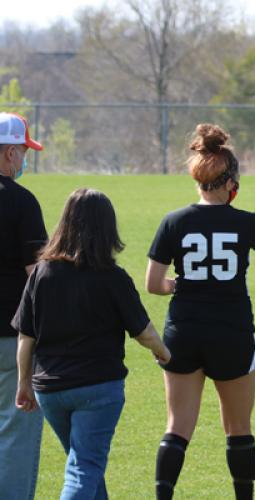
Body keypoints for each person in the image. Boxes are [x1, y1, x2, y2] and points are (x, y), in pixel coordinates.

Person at [146, 123, 255, 500]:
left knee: (177, 426)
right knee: (239, 427)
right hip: (232, 331)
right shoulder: (245, 222)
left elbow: (153, 283)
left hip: (184, 329)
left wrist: (174, 285)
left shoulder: (174, 221)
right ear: (230, 183)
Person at [12, 188, 171, 500]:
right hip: (99, 389)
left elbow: (25, 336)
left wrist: (23, 383)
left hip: (51, 390)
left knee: (84, 463)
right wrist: (164, 354)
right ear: (108, 229)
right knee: (84, 467)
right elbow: (144, 332)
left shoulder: (41, 273)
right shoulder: (112, 277)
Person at [0, 111, 47, 500]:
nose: (24, 160)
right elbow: (37, 274)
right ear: (11, 153)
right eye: (23, 152)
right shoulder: (21, 201)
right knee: (16, 429)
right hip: (10, 336)